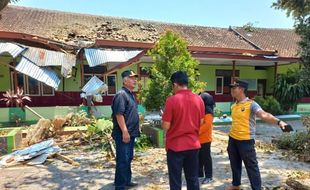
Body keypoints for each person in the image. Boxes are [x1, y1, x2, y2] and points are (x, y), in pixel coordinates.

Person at [226, 79, 289, 190]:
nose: (231, 90)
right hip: (233, 139)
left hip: (246, 141)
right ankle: (236, 185)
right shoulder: (234, 105)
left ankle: (256, 188)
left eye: (233, 88)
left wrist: (279, 122)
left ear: (241, 89)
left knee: (251, 167)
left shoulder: (251, 104)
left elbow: (264, 115)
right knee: (234, 164)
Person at [161, 71, 205, 190]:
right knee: (193, 178)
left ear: (175, 84)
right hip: (193, 145)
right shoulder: (198, 99)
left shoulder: (172, 100)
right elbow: (201, 122)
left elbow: (166, 126)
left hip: (176, 146)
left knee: (175, 180)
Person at [111, 70, 140, 190]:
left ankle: (126, 180)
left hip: (130, 133)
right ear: (125, 80)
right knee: (123, 159)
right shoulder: (121, 95)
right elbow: (119, 114)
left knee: (128, 158)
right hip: (124, 134)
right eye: (132, 78)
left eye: (135, 78)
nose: (135, 80)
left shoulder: (130, 94)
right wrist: (125, 131)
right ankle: (120, 185)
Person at [198, 91, 215, 184]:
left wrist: (196, 132)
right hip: (198, 139)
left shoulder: (208, 111)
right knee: (198, 158)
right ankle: (199, 174)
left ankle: (209, 176)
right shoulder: (200, 110)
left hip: (205, 139)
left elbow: (207, 125)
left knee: (206, 158)